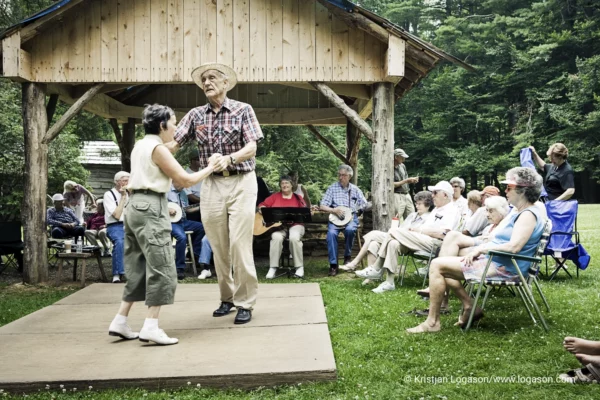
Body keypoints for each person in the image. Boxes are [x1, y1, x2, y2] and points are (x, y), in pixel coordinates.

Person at [108, 104, 217, 346]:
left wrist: (184, 137)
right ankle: (151, 326)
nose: (176, 127)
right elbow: (184, 180)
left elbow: (167, 150)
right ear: (162, 125)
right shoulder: (156, 148)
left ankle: (120, 321)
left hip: (134, 207)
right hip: (151, 206)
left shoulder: (141, 145)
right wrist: (211, 167)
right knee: (163, 267)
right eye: (174, 122)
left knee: (138, 267)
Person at [168, 62, 263, 325]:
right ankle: (227, 298)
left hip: (242, 181)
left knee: (238, 244)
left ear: (225, 83)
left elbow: (252, 146)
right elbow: (175, 142)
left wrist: (230, 158)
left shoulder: (244, 110)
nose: (206, 83)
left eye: (212, 78)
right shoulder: (196, 114)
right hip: (211, 184)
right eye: (203, 80)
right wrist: (152, 150)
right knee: (218, 244)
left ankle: (245, 302)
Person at [406, 167, 545, 334]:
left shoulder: (528, 215)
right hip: (498, 261)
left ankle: (434, 321)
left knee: (437, 265)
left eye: (509, 187)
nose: (505, 191)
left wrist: (482, 249)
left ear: (523, 190)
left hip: (504, 268)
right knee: (446, 260)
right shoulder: (520, 212)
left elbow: (514, 247)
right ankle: (468, 306)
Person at [354, 182, 460, 293]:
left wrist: (419, 230)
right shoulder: (437, 209)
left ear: (445, 195)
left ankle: (376, 268)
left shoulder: (452, 210)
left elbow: (444, 234)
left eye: (435, 192)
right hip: (421, 239)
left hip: (437, 244)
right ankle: (389, 282)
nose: (432, 195)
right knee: (393, 243)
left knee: (393, 232)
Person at [340, 191, 433, 272]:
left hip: (409, 243)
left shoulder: (430, 218)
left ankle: (354, 263)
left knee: (373, 234)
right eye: (416, 203)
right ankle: (370, 277)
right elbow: (402, 229)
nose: (416, 206)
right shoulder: (412, 215)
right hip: (398, 238)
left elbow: (422, 235)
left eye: (419, 204)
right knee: (373, 243)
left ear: (428, 205)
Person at [320, 164, 368, 277]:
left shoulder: (355, 190)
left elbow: (364, 204)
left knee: (351, 230)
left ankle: (347, 257)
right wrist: (334, 210)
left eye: (344, 175)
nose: (341, 177)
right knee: (331, 234)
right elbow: (322, 206)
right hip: (335, 218)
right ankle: (333, 265)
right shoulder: (332, 188)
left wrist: (360, 209)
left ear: (350, 176)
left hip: (350, 218)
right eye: (339, 175)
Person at [259, 175, 308, 279]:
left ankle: (299, 267)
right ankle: (273, 267)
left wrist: (309, 212)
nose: (284, 185)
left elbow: (305, 212)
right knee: (276, 237)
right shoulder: (274, 197)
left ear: (292, 185)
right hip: (278, 226)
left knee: (294, 238)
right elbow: (262, 205)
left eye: (287, 183)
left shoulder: (297, 198)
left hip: (295, 225)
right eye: (282, 183)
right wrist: (262, 210)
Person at [167, 185, 213, 280]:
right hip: (171, 222)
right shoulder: (166, 191)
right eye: (182, 182)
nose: (184, 184)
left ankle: (196, 253)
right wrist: (167, 210)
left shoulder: (183, 193)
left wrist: (201, 206)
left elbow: (187, 209)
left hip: (183, 221)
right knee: (181, 237)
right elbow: (159, 206)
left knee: (202, 227)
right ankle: (180, 268)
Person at [104, 171, 130, 283]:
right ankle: (117, 274)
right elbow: (116, 215)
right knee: (119, 241)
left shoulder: (131, 194)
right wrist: (123, 197)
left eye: (129, 180)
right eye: (124, 180)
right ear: (117, 182)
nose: (127, 183)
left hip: (130, 225)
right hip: (115, 226)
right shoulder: (109, 194)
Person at [393, 148, 418, 221]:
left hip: (407, 194)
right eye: (402, 157)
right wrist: (406, 181)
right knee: (396, 217)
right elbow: (391, 185)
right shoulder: (389, 167)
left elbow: (406, 179)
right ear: (396, 157)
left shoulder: (403, 166)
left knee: (411, 216)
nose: (404, 159)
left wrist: (411, 180)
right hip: (397, 195)